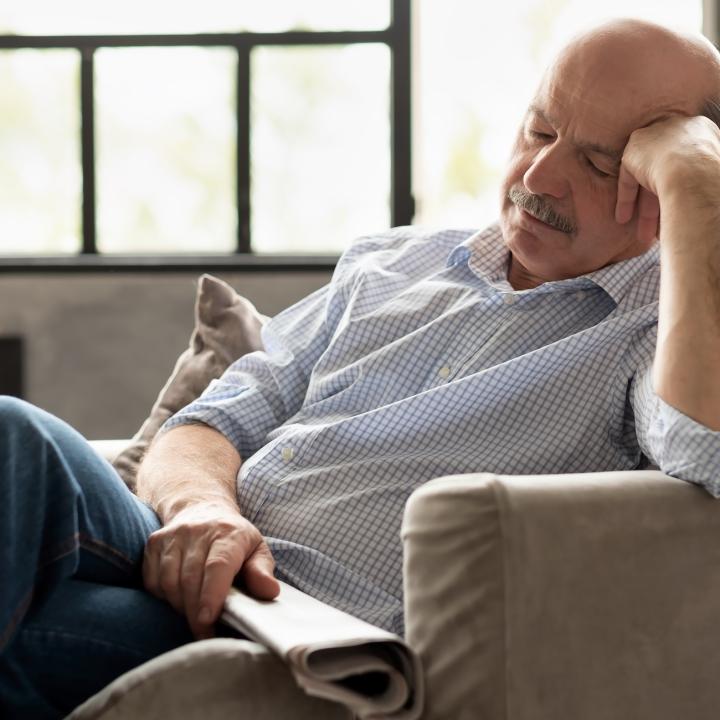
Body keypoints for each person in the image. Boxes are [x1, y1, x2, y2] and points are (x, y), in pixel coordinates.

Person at [2, 16, 720, 718]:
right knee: (16, 440)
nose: (537, 175)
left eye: (598, 165)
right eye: (538, 130)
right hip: (182, 561)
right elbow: (208, 423)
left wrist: (697, 179)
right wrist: (204, 511)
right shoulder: (392, 264)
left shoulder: (651, 341)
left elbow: (705, 449)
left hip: (292, 638)